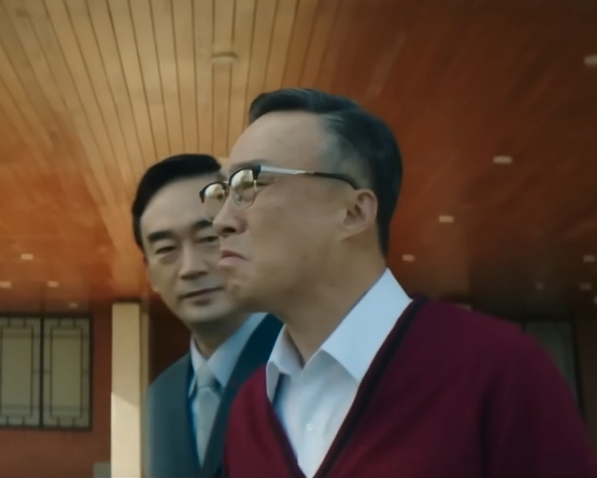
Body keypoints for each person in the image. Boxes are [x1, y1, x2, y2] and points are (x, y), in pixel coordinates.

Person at [201, 88, 597, 477]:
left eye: (250, 183)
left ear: (354, 212)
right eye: (223, 192)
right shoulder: (248, 412)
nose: (221, 221)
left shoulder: (499, 371)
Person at [133, 154, 282, 478]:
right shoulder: (159, 398)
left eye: (210, 239)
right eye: (166, 249)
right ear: (149, 273)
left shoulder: (306, 361)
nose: (191, 268)